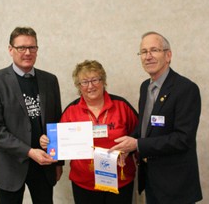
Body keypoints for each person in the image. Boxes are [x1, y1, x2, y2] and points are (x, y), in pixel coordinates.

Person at [109, 32, 203, 204]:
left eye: (154, 50)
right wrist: (128, 145)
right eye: (143, 52)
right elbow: (145, 127)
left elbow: (183, 139)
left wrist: (137, 144)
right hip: (152, 180)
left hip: (176, 184)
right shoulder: (145, 87)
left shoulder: (186, 89)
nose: (148, 56)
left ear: (168, 55)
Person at [0, 26, 63, 204]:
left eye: (32, 47)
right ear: (10, 50)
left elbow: (57, 121)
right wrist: (29, 152)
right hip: (9, 164)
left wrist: (58, 162)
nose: (27, 52)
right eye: (21, 48)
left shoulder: (50, 80)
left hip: (44, 164)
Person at [40, 60, 138, 204]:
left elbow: (139, 135)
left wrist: (132, 150)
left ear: (103, 81)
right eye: (84, 82)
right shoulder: (71, 111)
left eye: (95, 80)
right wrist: (47, 142)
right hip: (84, 184)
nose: (90, 86)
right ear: (79, 87)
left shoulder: (121, 106)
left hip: (120, 182)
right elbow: (58, 144)